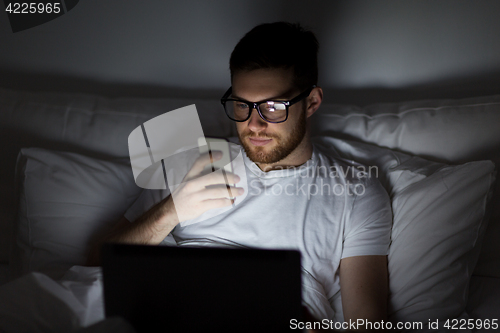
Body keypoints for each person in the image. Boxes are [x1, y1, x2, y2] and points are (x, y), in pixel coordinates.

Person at [87, 22, 392, 331]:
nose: (253, 124)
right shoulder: (193, 160)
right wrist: (170, 211)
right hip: (169, 308)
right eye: (241, 105)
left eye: (273, 107)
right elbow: (98, 260)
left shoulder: (355, 191)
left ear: (312, 102)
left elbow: (366, 323)